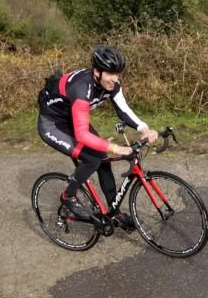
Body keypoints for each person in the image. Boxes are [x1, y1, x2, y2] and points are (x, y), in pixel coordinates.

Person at [37, 44, 159, 231]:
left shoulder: (111, 84)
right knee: (93, 158)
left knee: (103, 160)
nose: (115, 79)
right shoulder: (81, 88)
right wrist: (115, 148)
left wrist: (144, 128)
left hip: (73, 118)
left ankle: (114, 211)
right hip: (52, 124)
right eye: (110, 74)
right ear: (97, 72)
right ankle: (68, 196)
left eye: (117, 74)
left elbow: (123, 110)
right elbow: (82, 134)